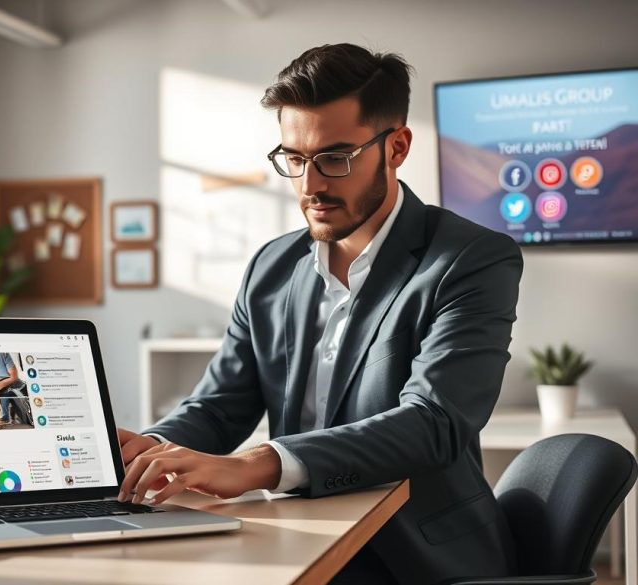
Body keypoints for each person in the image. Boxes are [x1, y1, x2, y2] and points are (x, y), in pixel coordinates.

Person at [116, 44, 522, 585]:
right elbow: (219, 407)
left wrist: (255, 463)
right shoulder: (272, 265)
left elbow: (434, 424)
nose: (310, 186)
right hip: (298, 536)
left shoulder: (469, 259)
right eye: (294, 158)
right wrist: (155, 450)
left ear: (396, 146)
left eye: (335, 158)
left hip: (418, 559)